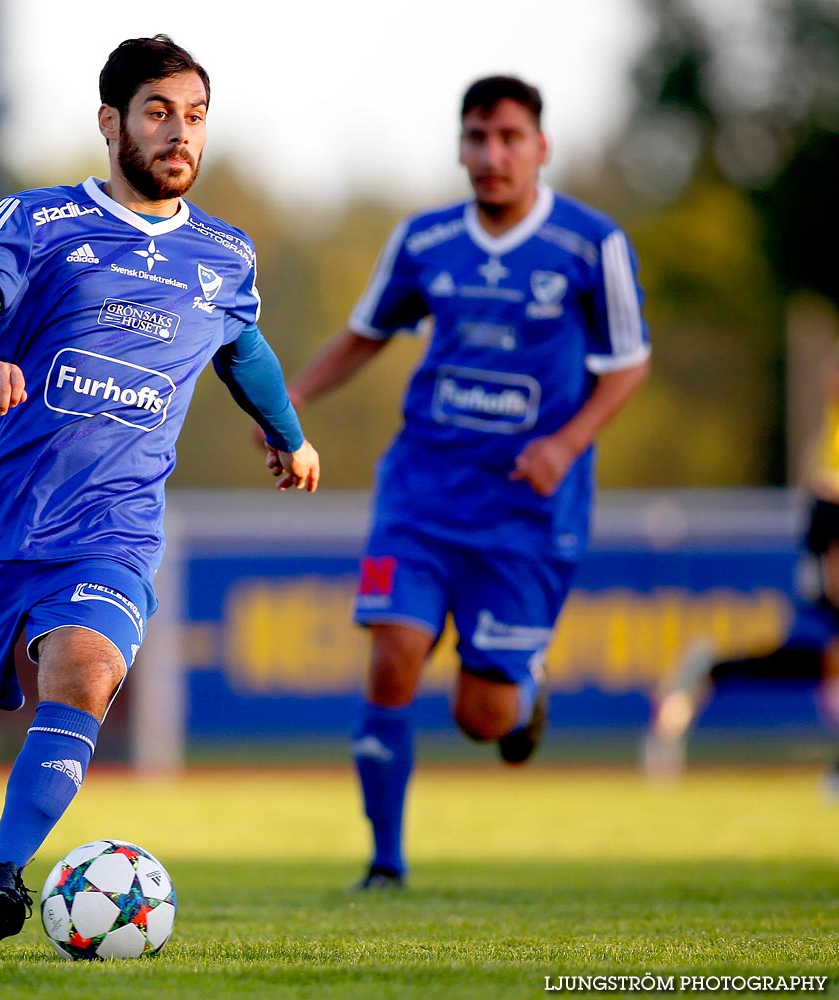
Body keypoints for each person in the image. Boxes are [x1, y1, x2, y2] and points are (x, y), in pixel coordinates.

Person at [0, 34, 319, 952]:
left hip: (111, 528)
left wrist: (289, 435)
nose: (179, 134)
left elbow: (245, 352)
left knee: (88, 671)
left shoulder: (224, 256)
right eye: (157, 112)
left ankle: (1, 868)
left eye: (194, 116)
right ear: (110, 122)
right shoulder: (40, 219)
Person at [273, 75, 649, 890]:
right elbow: (364, 334)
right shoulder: (424, 240)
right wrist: (288, 400)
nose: (492, 154)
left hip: (526, 512)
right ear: (459, 146)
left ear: (540, 148)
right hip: (421, 496)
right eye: (477, 137)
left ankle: (524, 688)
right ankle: (384, 863)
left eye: (510, 137)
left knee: (483, 720)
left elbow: (628, 363)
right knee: (392, 657)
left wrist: (565, 442)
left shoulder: (591, 245)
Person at [644, 355, 839, 782]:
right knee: (825, 662)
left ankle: (713, 667)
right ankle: (712, 668)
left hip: (826, 510)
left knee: (821, 663)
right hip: (830, 512)